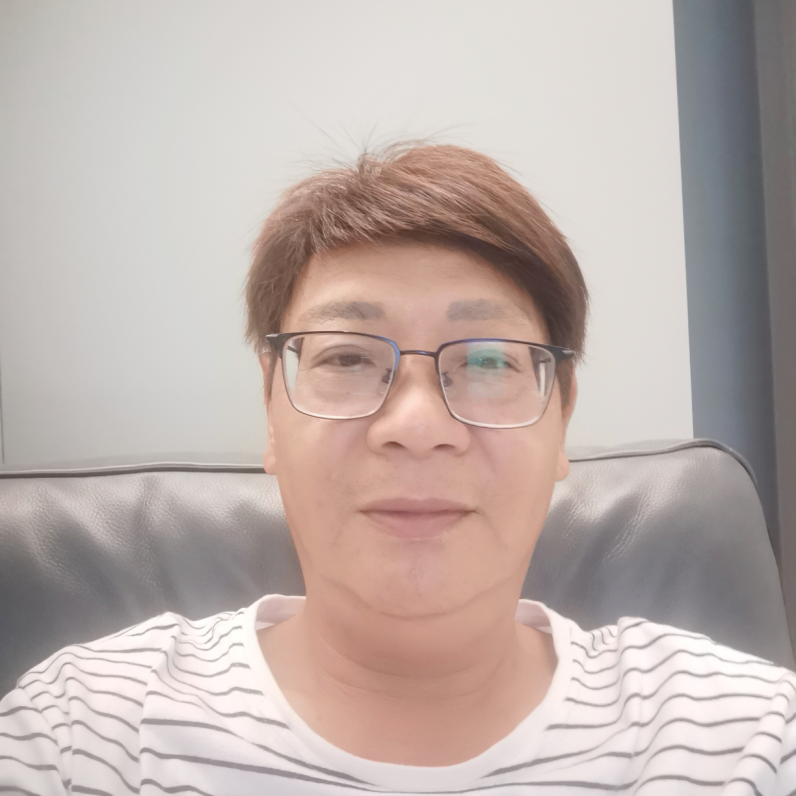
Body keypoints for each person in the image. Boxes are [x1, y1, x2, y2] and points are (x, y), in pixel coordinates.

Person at [1, 143, 794, 795]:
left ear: (562, 416)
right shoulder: (87, 732)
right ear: (271, 410)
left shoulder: (740, 738)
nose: (417, 428)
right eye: (348, 357)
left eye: (486, 360)